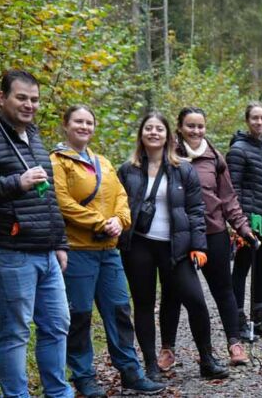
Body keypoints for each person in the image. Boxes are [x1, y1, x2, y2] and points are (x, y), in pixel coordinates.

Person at [0, 70, 73, 397]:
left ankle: (58, 393)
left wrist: (59, 243)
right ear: (2, 98)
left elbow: (48, 196)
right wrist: (15, 183)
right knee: (16, 331)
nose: (29, 105)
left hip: (45, 252)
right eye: (22, 97)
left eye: (34, 99)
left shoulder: (33, 137)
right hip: (7, 251)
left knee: (56, 325)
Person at [50, 106, 167, 396]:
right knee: (79, 316)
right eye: (78, 121)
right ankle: (84, 376)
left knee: (119, 311)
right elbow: (61, 202)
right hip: (78, 250)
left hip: (109, 251)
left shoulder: (102, 161)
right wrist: (101, 222)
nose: (84, 126)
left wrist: (119, 220)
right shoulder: (57, 162)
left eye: (89, 122)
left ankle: (129, 370)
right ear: (66, 125)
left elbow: (121, 197)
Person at [117, 112, 228, 381]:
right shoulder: (127, 169)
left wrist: (199, 246)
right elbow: (118, 206)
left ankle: (206, 359)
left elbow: (195, 210)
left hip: (175, 247)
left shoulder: (183, 168)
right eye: (149, 128)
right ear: (141, 134)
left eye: (159, 129)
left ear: (168, 135)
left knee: (196, 301)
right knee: (143, 305)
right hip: (139, 246)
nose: (154, 133)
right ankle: (151, 365)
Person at [165, 106, 256, 367]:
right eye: (190, 126)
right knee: (173, 293)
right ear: (180, 127)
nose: (195, 131)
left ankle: (234, 343)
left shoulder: (214, 157)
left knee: (223, 290)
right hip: (178, 236)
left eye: (200, 126)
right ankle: (167, 349)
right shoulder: (169, 155)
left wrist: (243, 228)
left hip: (213, 232)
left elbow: (227, 198)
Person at [227, 101, 262, 340]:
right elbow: (232, 189)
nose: (260, 122)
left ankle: (259, 320)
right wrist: (240, 224)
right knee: (241, 270)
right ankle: (238, 322)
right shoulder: (238, 150)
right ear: (247, 121)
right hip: (248, 223)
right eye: (255, 118)